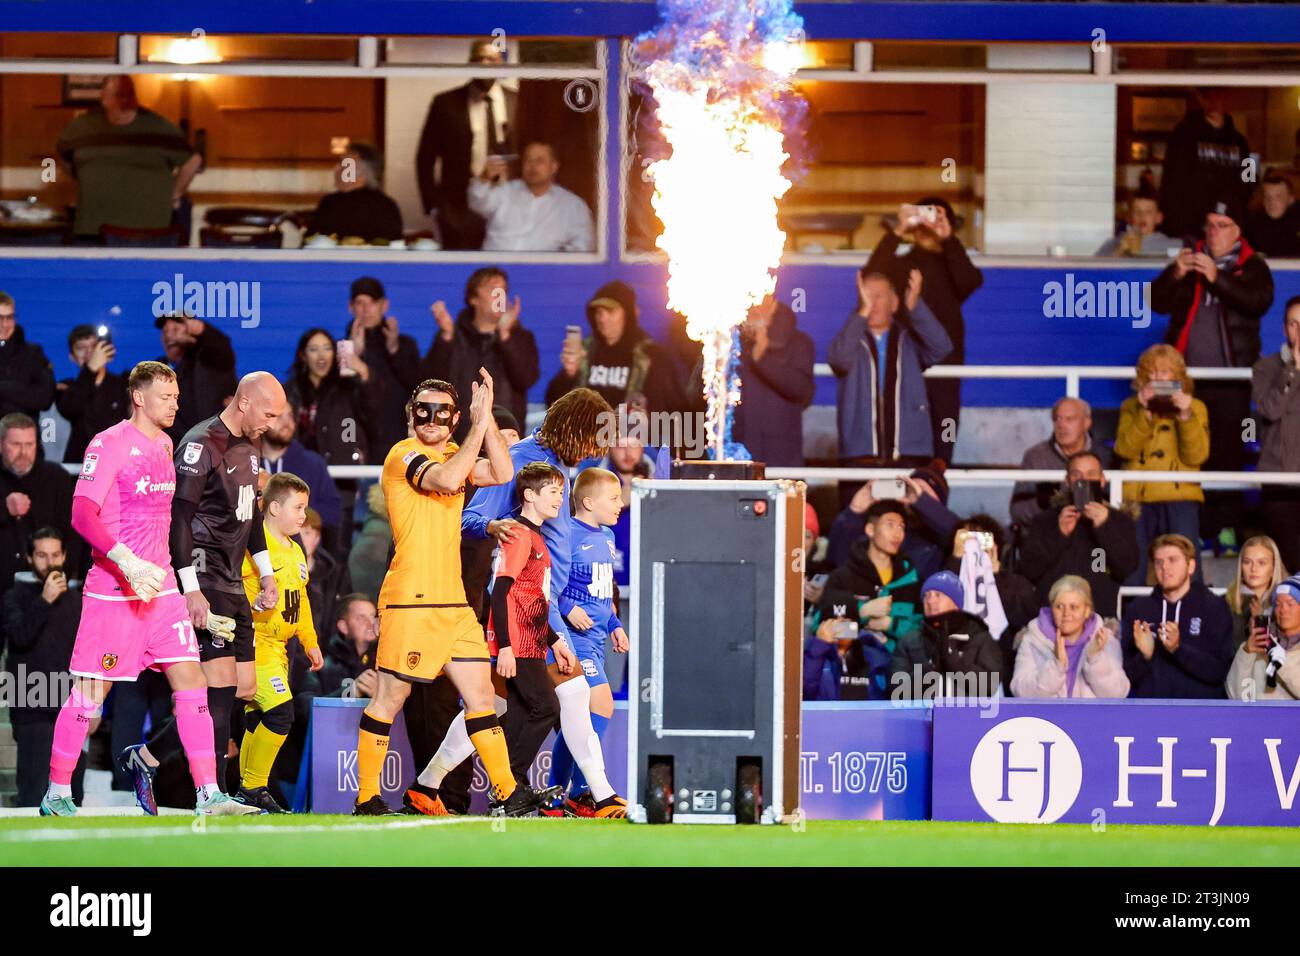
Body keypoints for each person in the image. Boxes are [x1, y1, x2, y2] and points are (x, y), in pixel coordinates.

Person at [40, 361, 254, 816]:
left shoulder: (165, 444)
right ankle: (57, 792)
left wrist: (188, 589)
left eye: (177, 397)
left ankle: (208, 794)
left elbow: (173, 522)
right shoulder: (109, 443)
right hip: (114, 592)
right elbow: (81, 515)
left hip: (161, 594)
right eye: (166, 397)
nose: (175, 404)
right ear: (139, 397)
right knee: (91, 696)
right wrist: (126, 561)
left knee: (193, 683)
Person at [352, 372, 553, 816]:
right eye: (424, 410)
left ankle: (508, 793)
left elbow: (503, 472)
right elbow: (445, 480)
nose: (433, 419)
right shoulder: (403, 454)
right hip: (410, 599)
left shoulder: (452, 453)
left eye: (444, 412)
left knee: (482, 699)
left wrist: (486, 418)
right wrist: (478, 428)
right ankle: (367, 797)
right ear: (411, 414)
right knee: (390, 697)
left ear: (455, 417)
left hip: (455, 603)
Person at [119, 372, 285, 813]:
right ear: (245, 402)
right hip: (204, 577)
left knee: (243, 689)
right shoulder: (199, 444)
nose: (273, 423)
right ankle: (212, 793)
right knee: (218, 686)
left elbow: (250, 521)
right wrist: (190, 589)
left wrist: (266, 574)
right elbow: (178, 521)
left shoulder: (251, 447)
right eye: (269, 413)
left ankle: (147, 756)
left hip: (234, 579)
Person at [1152, 197, 1273, 555]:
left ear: (1237, 232)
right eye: (1209, 224)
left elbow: (1256, 302)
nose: (1213, 232)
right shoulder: (1188, 262)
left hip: (1230, 380)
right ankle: (1188, 535)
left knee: (1226, 456)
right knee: (1184, 454)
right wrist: (1174, 273)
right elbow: (1154, 302)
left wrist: (1215, 278)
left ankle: (1225, 533)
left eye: (1222, 225)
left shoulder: (1253, 266)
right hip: (1183, 380)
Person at [865, 199, 982, 463]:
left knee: (944, 440)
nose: (927, 225)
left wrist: (948, 238)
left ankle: (935, 499)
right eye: (923, 217)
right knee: (904, 440)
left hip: (946, 366)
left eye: (936, 217)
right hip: (906, 365)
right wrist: (898, 230)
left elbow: (970, 281)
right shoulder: (902, 264)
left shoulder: (953, 262)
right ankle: (901, 502)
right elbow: (871, 278)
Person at [545, 466, 630, 816]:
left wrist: (614, 623)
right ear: (588, 501)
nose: (621, 504)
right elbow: (549, 585)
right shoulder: (565, 535)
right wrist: (567, 607)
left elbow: (601, 592)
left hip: (597, 639)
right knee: (601, 705)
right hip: (573, 640)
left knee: (579, 717)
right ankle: (582, 792)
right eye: (614, 498)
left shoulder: (607, 537)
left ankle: (557, 796)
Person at [236, 473, 323, 812]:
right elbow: (233, 590)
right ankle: (254, 786)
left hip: (281, 649)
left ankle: (243, 787)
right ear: (273, 508)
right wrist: (252, 607)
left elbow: (299, 599)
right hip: (254, 644)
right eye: (298, 507)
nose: (304, 515)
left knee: (258, 716)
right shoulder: (252, 548)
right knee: (281, 714)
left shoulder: (296, 550)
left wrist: (310, 640)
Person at [827, 268, 953, 465]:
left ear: (894, 303)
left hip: (909, 453)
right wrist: (861, 314)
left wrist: (915, 306)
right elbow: (839, 360)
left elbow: (941, 347)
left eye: (879, 296)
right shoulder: (850, 339)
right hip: (860, 455)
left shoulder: (910, 342)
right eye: (867, 296)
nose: (873, 303)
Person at [55, 76, 201, 243]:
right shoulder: (81, 126)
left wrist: (176, 193)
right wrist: (71, 178)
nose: (124, 100)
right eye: (118, 95)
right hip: (91, 230)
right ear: (104, 98)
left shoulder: (158, 127)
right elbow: (57, 157)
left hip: (150, 233)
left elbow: (193, 160)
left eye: (128, 95)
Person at [3, 528, 86, 806]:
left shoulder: (77, 601)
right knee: (33, 789)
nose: (49, 562)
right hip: (31, 703)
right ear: (29, 558)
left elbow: (86, 654)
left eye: (54, 555)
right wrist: (44, 600)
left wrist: (93, 705)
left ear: (63, 556)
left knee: (73, 794)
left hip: (72, 706)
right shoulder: (14, 596)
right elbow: (20, 636)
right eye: (41, 555)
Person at [1114, 344, 1209, 585]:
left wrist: (1185, 417)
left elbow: (1197, 456)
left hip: (1180, 495)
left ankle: (1192, 618)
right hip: (1138, 496)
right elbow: (1124, 449)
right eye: (1152, 373)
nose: (1158, 379)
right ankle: (1130, 617)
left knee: (1186, 564)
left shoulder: (1196, 407)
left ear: (1178, 377)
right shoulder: (1131, 407)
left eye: (1165, 373)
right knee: (1132, 566)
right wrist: (1145, 415)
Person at [811, 500, 922, 700]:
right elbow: (821, 626)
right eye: (890, 524)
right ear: (870, 529)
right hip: (854, 676)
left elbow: (923, 631)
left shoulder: (911, 578)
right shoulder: (843, 577)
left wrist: (891, 624)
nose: (898, 533)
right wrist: (861, 614)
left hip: (902, 677)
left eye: (902, 527)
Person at [416, 38, 518, 250]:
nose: (485, 64)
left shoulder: (516, 101)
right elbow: (425, 157)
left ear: (503, 65)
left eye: (492, 59)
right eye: (479, 58)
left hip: (507, 205)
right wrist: (433, 207)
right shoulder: (445, 103)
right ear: (470, 63)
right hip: (457, 208)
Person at [422, 267, 539, 443]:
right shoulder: (454, 336)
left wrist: (505, 336)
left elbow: (526, 378)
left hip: (505, 439)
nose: (500, 295)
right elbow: (432, 382)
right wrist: (446, 337)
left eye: (504, 290)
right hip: (459, 440)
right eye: (493, 289)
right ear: (473, 298)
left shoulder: (520, 337)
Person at [1019, 451, 1140, 620]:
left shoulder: (1119, 521)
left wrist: (1105, 527)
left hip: (1099, 621)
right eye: (1077, 475)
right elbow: (1030, 569)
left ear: (1102, 480)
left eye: (1091, 474)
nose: (1084, 480)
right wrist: (1059, 533)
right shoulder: (1045, 520)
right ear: (1068, 481)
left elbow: (1126, 568)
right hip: (1051, 621)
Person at [545, 280, 686, 414]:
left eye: (610, 311)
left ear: (628, 314)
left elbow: (674, 409)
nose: (602, 318)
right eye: (598, 312)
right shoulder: (585, 352)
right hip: (588, 437)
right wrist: (568, 375)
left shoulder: (652, 355)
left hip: (632, 437)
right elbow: (552, 404)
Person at [1121, 534, 1234, 699]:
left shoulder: (1214, 607)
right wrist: (1145, 657)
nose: (1165, 567)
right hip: (1151, 713)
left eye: (1172, 560)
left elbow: (1219, 671)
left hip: (1200, 713)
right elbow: (1126, 677)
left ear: (1191, 566)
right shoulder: (1138, 609)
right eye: (1159, 562)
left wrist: (1178, 649)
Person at [0, 413, 80, 600]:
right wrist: (4, 509)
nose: (23, 452)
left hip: (48, 590)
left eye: (30, 444)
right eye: (16, 445)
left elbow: (73, 534)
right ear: (1, 445)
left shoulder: (56, 478)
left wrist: (61, 579)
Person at [730, 295, 815, 468]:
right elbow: (697, 395)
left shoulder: (799, 343)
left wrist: (762, 359)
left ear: (771, 304)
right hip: (736, 457)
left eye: (756, 305)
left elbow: (801, 391)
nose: (751, 311)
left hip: (780, 460)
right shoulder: (731, 342)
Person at [1010, 575, 1129, 699]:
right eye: (1059, 607)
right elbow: (1020, 692)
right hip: (1046, 717)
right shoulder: (1033, 639)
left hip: (1091, 718)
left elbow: (1118, 693)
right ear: (1051, 608)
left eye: (1074, 607)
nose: (1066, 613)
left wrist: (1095, 659)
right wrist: (1056, 666)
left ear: (1087, 611)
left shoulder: (1104, 639)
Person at [890, 571, 1003, 700]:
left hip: (968, 717)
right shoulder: (910, 640)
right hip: (923, 718)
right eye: (926, 596)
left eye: (938, 595)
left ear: (956, 602)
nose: (931, 601)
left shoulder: (979, 636)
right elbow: (896, 690)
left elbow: (990, 685)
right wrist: (931, 671)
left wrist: (953, 663)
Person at [1158, 88, 1252, 240]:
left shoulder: (1240, 141)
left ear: (1226, 98)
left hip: (1227, 228)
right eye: (1208, 97)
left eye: (1218, 95)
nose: (1214, 101)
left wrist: (1239, 212)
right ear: (1200, 99)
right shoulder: (1183, 135)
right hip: (1190, 228)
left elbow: (1250, 180)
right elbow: (1171, 181)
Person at [343, 277, 423, 453]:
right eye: (360, 303)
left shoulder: (405, 345)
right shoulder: (344, 347)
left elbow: (418, 386)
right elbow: (341, 394)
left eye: (372, 302)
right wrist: (354, 352)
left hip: (398, 438)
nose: (366, 309)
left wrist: (395, 350)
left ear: (384, 305)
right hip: (357, 442)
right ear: (351, 307)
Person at [469, 142, 594, 252]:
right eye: (528, 160)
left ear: (554, 167)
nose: (532, 166)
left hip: (542, 274)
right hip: (494, 270)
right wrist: (484, 178)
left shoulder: (573, 205)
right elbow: (477, 203)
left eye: (539, 161)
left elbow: (583, 245)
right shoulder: (506, 191)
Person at [1009, 397, 1114, 530]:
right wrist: (1045, 503)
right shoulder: (1036, 457)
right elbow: (1017, 512)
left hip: (1095, 539)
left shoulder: (1105, 456)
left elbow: (1120, 507)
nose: (1061, 425)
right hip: (1047, 538)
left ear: (1086, 423)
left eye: (1069, 419)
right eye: (1057, 419)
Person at [1252, 296, 1300, 573]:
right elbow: (1270, 410)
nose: (1299, 331)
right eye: (1294, 324)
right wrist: (1293, 371)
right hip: (1279, 477)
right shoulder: (1266, 367)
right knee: (1291, 561)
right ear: (1284, 329)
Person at [259, 402, 343, 556]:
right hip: (255, 559)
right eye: (277, 416)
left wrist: (296, 511)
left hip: (301, 559)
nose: (287, 423)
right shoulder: (246, 462)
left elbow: (333, 511)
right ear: (261, 420)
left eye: (290, 416)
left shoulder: (313, 463)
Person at [153, 313, 237, 443]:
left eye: (175, 330)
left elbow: (222, 347)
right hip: (173, 450)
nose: (169, 336)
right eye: (165, 331)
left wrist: (200, 330)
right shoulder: (156, 368)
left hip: (212, 446)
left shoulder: (209, 360)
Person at [56, 325, 127, 463]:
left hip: (117, 465)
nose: (89, 352)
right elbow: (71, 409)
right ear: (72, 357)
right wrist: (90, 371)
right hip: (80, 467)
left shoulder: (124, 385)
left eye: (94, 346)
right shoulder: (67, 388)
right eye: (81, 348)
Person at [308, 142, 403, 244]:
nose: (335, 169)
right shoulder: (387, 205)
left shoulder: (332, 203)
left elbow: (313, 244)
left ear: (362, 173)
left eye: (343, 164)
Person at [1226, 573, 1300, 701]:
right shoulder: (1261, 642)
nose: (1283, 610)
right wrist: (1246, 653)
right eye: (1277, 604)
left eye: (1290, 604)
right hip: (1258, 720)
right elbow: (1235, 695)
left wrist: (1282, 659)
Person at [298, 594, 378, 705]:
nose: (371, 623)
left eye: (373, 616)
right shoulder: (321, 668)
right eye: (361, 618)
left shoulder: (388, 665)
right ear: (343, 627)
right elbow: (304, 709)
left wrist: (381, 697)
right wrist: (350, 693)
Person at [0, 293, 57, 422]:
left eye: (9, 317)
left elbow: (45, 399)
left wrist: (4, 387)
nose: (4, 324)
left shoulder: (33, 353)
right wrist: (22, 391)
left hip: (25, 439)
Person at [1225, 536, 1287, 651]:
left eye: (1262, 563)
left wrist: (1262, 619)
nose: (1254, 569)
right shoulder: (1224, 603)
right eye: (1247, 562)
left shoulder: (1288, 602)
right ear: (1241, 566)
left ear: (1274, 567)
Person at [302, 507, 351, 635]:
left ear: (317, 538)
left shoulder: (336, 575)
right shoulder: (276, 570)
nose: (301, 540)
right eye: (297, 534)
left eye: (307, 533)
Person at [1095, 187, 1181, 258]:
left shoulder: (1173, 245)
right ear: (1129, 218)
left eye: (1148, 211)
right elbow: (1094, 273)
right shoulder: (1112, 244)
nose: (1142, 216)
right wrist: (1119, 251)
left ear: (1158, 218)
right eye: (1137, 211)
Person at [1245, 169, 1300, 258]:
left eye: (1278, 197)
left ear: (1291, 199)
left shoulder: (1297, 222)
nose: (1271, 202)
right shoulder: (1254, 224)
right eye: (1267, 197)